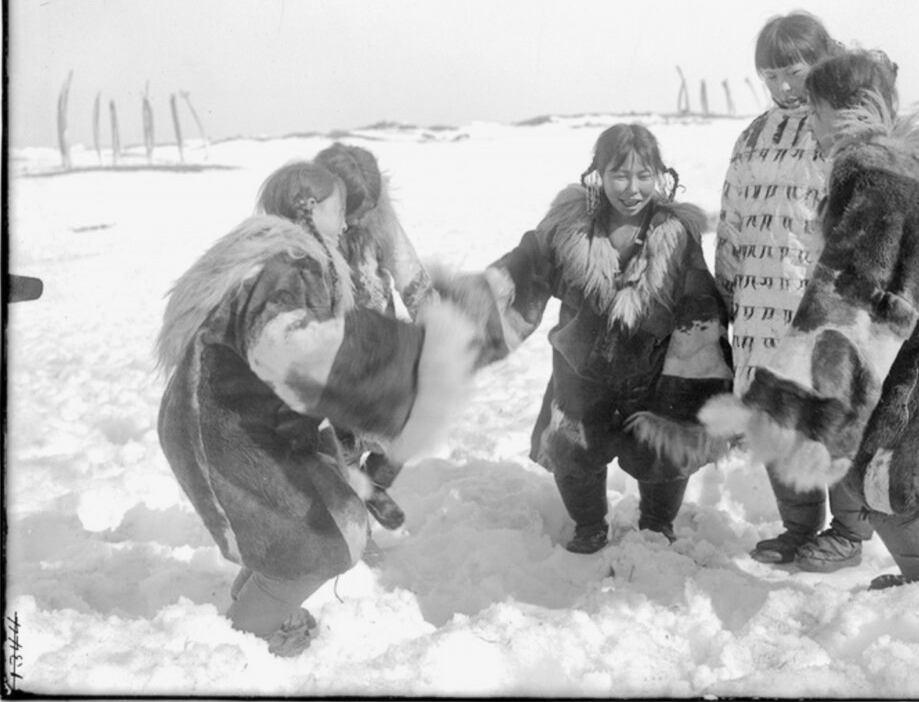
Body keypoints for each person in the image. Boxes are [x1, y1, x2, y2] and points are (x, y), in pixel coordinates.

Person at [700, 50, 919, 588]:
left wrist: (786, 403)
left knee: (896, 474)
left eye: (818, 115)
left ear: (847, 111)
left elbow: (857, 298)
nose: (814, 130)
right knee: (897, 473)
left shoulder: (875, 174)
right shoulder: (904, 163)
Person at [155, 161, 480, 654]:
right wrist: (377, 363)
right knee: (318, 541)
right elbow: (284, 346)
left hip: (232, 421)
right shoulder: (290, 265)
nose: (346, 224)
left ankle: (262, 604)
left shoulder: (279, 254)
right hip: (223, 431)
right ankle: (248, 637)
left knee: (298, 522)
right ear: (308, 208)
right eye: (337, 211)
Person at [438, 124, 733, 554]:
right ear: (598, 173)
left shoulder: (676, 232)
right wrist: (473, 302)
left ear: (660, 176)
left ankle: (657, 522)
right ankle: (589, 524)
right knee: (573, 449)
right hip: (581, 369)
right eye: (620, 175)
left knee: (664, 449)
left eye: (644, 176)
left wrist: (702, 371)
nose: (632, 189)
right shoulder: (568, 228)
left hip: (652, 368)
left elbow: (698, 300)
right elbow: (525, 270)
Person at [714, 11, 873, 572]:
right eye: (771, 76)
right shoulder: (752, 135)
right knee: (777, 417)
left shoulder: (843, 129)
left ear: (823, 61)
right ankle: (797, 527)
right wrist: (725, 289)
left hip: (824, 303)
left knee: (834, 416)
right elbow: (732, 216)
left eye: (794, 72)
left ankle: (849, 532)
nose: (783, 86)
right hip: (760, 308)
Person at [313, 143, 434, 532]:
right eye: (352, 214)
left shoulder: (381, 222)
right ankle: (355, 521)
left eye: (368, 213)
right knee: (339, 441)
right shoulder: (308, 234)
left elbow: (409, 274)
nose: (358, 222)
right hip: (330, 354)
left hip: (380, 344)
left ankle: (376, 483)